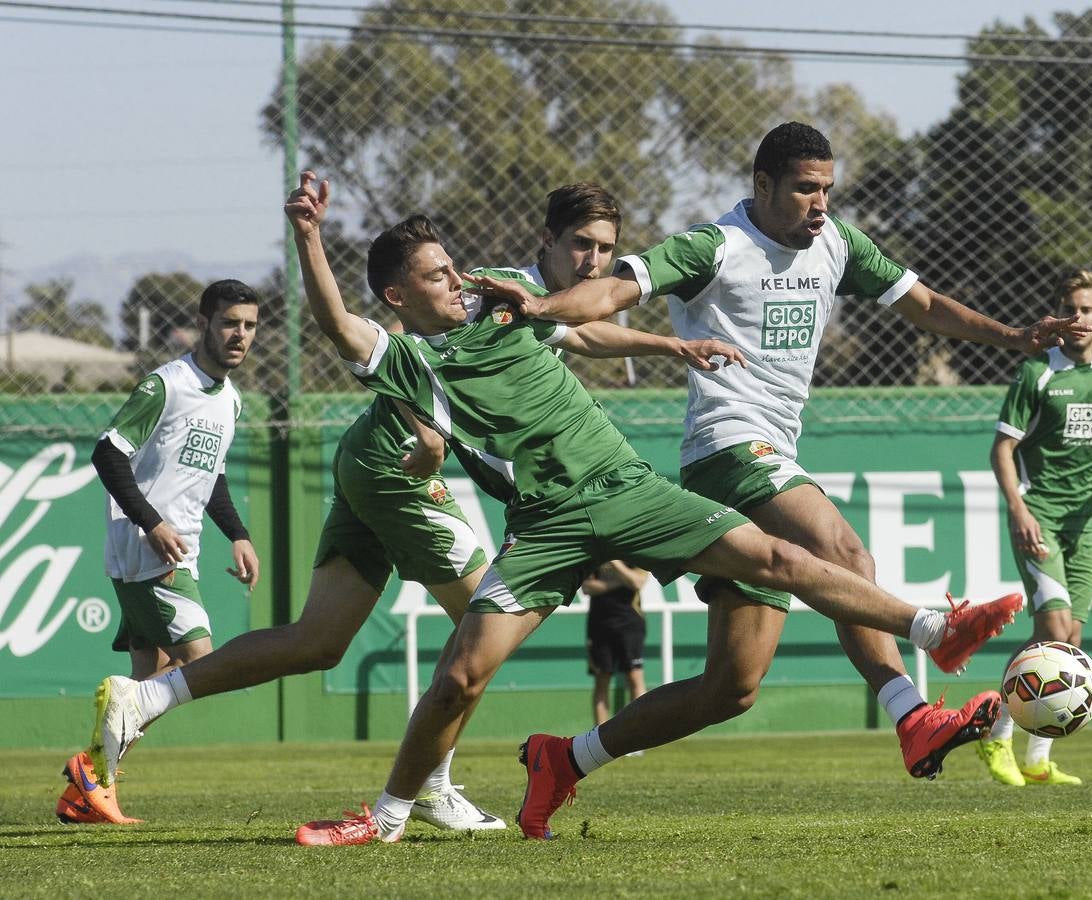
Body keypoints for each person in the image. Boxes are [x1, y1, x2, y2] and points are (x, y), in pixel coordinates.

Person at [253, 171, 1021, 846]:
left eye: (453, 267)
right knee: (459, 676)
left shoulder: (500, 295)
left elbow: (581, 325)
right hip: (545, 525)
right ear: (396, 296)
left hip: (628, 489)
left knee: (782, 558)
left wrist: (669, 347)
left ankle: (935, 628)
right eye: (435, 276)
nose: (456, 281)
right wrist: (309, 236)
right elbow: (336, 326)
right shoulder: (411, 361)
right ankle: (385, 816)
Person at [86, 181, 739, 833]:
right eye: (583, 247)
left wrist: (673, 348)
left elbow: (585, 334)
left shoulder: (536, 308)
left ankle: (148, 696)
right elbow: (394, 348)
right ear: (549, 243)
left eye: (606, 251)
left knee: (318, 641)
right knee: (487, 621)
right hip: (394, 466)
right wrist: (426, 433)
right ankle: (429, 785)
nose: (596, 262)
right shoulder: (490, 291)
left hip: (365, 461)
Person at [469, 121, 1092, 787]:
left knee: (731, 688)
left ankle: (564, 760)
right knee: (846, 555)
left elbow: (928, 304)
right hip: (728, 451)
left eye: (826, 188)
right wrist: (545, 306)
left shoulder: (838, 245)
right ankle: (914, 713)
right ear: (763, 186)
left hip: (765, 457)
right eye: (803, 189)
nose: (819, 203)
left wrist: (1015, 335)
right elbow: (614, 292)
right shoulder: (714, 246)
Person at [59, 280, 261, 826]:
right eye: (228, 323)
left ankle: (90, 785)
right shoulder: (166, 386)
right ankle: (92, 773)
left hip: (176, 553)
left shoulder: (231, 399)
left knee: (154, 672)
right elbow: (108, 454)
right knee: (201, 663)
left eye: (248, 325)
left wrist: (238, 533)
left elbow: (210, 476)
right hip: (149, 556)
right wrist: (151, 523)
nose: (239, 335)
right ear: (204, 323)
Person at [977, 268, 1092, 787]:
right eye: (1070, 309)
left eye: (1087, 309)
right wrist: (1018, 510)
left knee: (1070, 638)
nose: (1078, 318)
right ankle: (995, 736)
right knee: (1052, 630)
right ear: (1059, 315)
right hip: (1039, 516)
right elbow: (1001, 449)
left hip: (1084, 521)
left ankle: (1036, 758)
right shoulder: (1037, 373)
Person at [583, 561, 649, 728]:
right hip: (599, 624)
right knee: (602, 679)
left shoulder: (633, 553)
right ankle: (598, 740)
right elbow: (587, 587)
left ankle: (638, 736)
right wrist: (620, 582)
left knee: (635, 677)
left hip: (630, 623)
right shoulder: (596, 552)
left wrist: (615, 563)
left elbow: (638, 582)